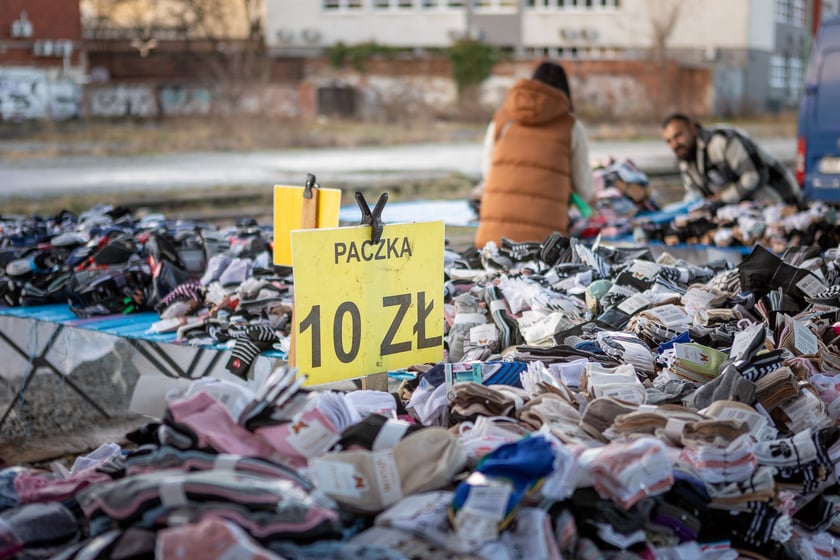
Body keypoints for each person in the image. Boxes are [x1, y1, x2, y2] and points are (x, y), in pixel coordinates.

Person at [474, 61, 593, 248]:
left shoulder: (501, 120)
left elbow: (488, 172)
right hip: (544, 244)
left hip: (492, 241)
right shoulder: (571, 126)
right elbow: (584, 188)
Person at [661, 113, 802, 207]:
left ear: (693, 128)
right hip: (746, 210)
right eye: (669, 141)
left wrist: (722, 198)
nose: (674, 144)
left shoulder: (721, 141)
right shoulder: (685, 157)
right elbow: (695, 194)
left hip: (779, 198)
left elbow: (754, 176)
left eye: (678, 136)